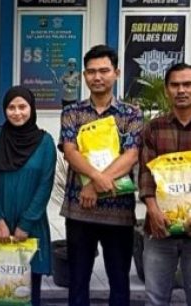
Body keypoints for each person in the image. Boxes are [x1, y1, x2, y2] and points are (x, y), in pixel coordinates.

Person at [59, 44, 142, 306]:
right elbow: (70, 151)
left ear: (116, 73)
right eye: (92, 71)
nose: (97, 77)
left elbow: (131, 155)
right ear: (84, 76)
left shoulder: (131, 113)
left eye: (104, 71)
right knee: (77, 281)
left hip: (118, 211)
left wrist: (93, 185)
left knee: (119, 282)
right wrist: (99, 178)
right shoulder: (72, 113)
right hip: (79, 210)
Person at [0, 86, 56, 306]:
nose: (17, 113)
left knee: (28, 290)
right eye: (11, 107)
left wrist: (26, 224)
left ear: (31, 108)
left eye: (22, 107)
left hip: (32, 224)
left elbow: (45, 186)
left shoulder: (45, 142)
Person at [139, 62, 191, 305]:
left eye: (187, 84)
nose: (181, 90)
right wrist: (153, 210)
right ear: (166, 90)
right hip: (159, 228)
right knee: (155, 298)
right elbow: (146, 174)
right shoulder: (154, 128)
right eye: (175, 85)